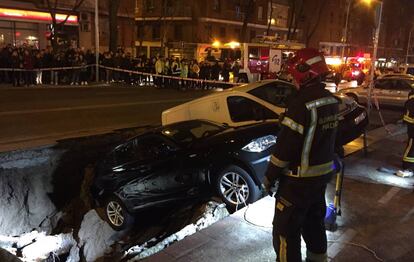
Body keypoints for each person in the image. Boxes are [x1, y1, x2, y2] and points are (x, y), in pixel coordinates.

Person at [263, 48, 339, 262]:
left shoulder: (300, 104)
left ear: (304, 73)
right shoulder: (331, 100)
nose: (292, 80)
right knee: (314, 225)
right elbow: (324, 135)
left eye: (293, 75)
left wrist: (269, 177)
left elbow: (285, 149)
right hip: (320, 180)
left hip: (297, 183)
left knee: (285, 231)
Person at [396, 90, 414, 178]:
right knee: (411, 146)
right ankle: (407, 165)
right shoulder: (412, 101)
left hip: (411, 125)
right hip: (413, 128)